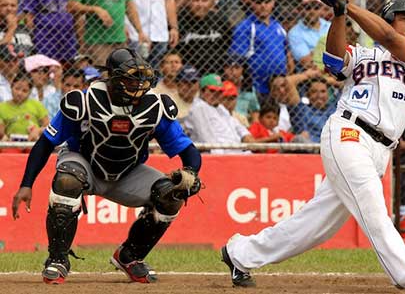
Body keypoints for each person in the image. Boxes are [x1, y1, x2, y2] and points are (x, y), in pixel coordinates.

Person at [220, 0, 405, 292]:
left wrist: (348, 5)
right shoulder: (364, 54)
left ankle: (240, 254)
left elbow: (390, 39)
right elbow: (333, 60)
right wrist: (339, 13)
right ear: (387, 18)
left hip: (380, 148)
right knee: (373, 206)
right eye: (404, 17)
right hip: (347, 133)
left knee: (315, 227)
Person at [11, 48, 202, 285]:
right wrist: (26, 184)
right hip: (84, 163)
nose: (139, 85)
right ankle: (57, 260)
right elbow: (45, 143)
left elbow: (188, 150)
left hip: (128, 171)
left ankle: (130, 256)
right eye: (132, 79)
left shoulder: (155, 106)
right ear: (113, 78)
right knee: (68, 179)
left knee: (170, 195)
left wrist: (191, 172)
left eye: (141, 79)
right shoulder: (84, 100)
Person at [67, 0, 148, 65]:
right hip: (97, 42)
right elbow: (71, 6)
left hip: (120, 39)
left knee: (122, 77)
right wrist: (94, 9)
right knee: (104, 77)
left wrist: (140, 31)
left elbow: (129, 6)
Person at [115, 0, 179, 69]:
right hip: (133, 31)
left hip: (160, 31)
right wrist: (121, 24)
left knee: (155, 73)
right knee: (131, 71)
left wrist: (173, 27)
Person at [229, 0, 289, 96]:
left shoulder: (278, 26)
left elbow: (286, 52)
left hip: (279, 86)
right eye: (258, 2)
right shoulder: (245, 27)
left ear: (273, 3)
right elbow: (237, 58)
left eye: (267, 2)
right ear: (252, 3)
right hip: (256, 87)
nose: (263, 6)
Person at [20, 0, 78, 65]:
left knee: (69, 66)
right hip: (44, 36)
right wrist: (32, 35)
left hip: (68, 35)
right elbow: (29, 14)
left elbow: (77, 13)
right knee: (46, 65)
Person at [184, 73, 254, 154]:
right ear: (202, 91)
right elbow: (208, 141)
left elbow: (237, 126)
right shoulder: (199, 107)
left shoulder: (220, 107)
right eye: (212, 91)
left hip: (235, 151)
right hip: (218, 156)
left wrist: (245, 135)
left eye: (219, 91)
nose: (216, 94)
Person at [177, 0, 231, 75]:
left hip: (215, 73)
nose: (200, 4)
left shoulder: (220, 21)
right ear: (188, 2)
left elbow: (228, 44)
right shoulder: (179, 22)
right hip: (187, 76)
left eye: (204, 1)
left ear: (210, 2)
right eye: (196, 0)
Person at [0, 72, 49, 142]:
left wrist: (38, 131)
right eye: (17, 88)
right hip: (11, 144)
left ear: (29, 92)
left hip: (32, 142)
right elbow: (1, 132)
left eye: (24, 91)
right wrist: (4, 136)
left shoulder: (36, 105)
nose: (19, 93)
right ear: (11, 87)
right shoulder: (2, 107)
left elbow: (48, 126)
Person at [288, 0, 330, 71]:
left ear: (321, 9)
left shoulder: (330, 26)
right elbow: (307, 62)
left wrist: (314, 53)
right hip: (312, 75)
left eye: (316, 8)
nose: (312, 11)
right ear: (301, 9)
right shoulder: (294, 33)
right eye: (308, 8)